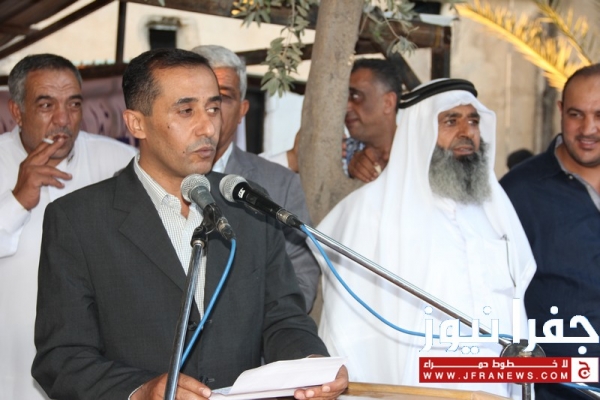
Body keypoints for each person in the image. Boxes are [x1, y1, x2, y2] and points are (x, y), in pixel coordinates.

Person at [32, 48, 348, 400]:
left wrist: (311, 363)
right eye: (186, 111)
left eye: (213, 108)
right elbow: (61, 359)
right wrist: (139, 391)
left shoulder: (247, 204)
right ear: (137, 123)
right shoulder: (79, 220)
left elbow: (283, 318)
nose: (209, 127)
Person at [316, 79, 535, 398]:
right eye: (451, 121)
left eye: (473, 121)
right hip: (416, 389)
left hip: (496, 386)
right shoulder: (371, 211)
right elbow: (347, 327)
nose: (467, 132)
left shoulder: (493, 211)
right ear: (420, 132)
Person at [0, 54, 137, 400]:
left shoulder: (119, 163)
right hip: (9, 367)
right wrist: (17, 200)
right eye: (46, 105)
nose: (63, 119)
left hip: (95, 371)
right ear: (17, 111)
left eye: (73, 104)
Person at [191, 44, 320, 312]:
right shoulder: (141, 181)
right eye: (194, 98)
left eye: (222, 97)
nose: (210, 110)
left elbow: (299, 287)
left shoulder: (280, 186)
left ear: (242, 110)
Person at [501, 64, 600, 400]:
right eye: (576, 114)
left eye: (599, 115)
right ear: (560, 111)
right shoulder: (518, 193)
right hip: (556, 389)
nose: (588, 129)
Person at [344, 58, 401, 182]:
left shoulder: (422, 151)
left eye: (355, 96)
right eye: (344, 98)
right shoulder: (339, 154)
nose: (346, 107)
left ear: (388, 103)